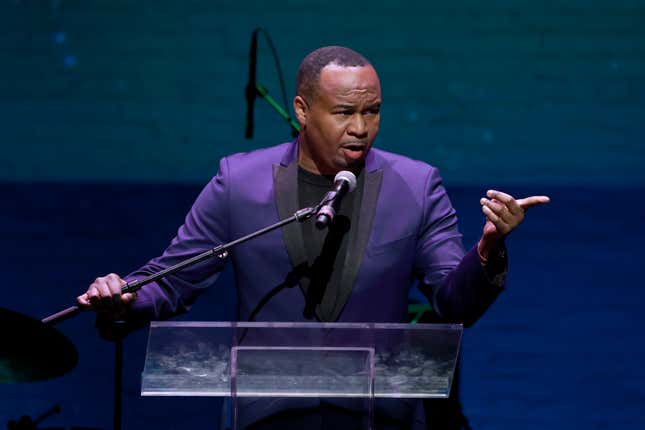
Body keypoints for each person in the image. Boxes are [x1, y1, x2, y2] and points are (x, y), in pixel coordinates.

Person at [77, 46, 549, 429]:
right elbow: (173, 280)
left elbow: (453, 304)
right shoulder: (239, 181)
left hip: (380, 417)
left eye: (372, 112)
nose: (361, 128)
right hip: (266, 418)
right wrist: (124, 297)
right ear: (302, 110)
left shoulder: (416, 185)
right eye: (345, 112)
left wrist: (488, 250)